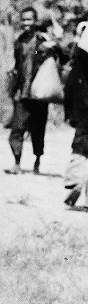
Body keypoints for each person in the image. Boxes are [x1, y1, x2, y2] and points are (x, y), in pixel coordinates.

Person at [5, 6, 58, 175]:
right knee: (17, 127)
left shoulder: (40, 40)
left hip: (38, 92)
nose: (26, 23)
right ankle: (17, 163)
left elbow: (43, 54)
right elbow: (17, 64)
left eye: (29, 19)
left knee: (38, 129)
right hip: (22, 91)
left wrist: (47, 47)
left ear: (35, 21)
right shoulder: (19, 41)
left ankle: (37, 161)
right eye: (24, 19)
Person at [64, 21, 88, 206]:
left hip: (83, 108)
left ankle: (75, 180)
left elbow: (71, 86)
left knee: (79, 146)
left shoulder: (79, 60)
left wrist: (70, 112)